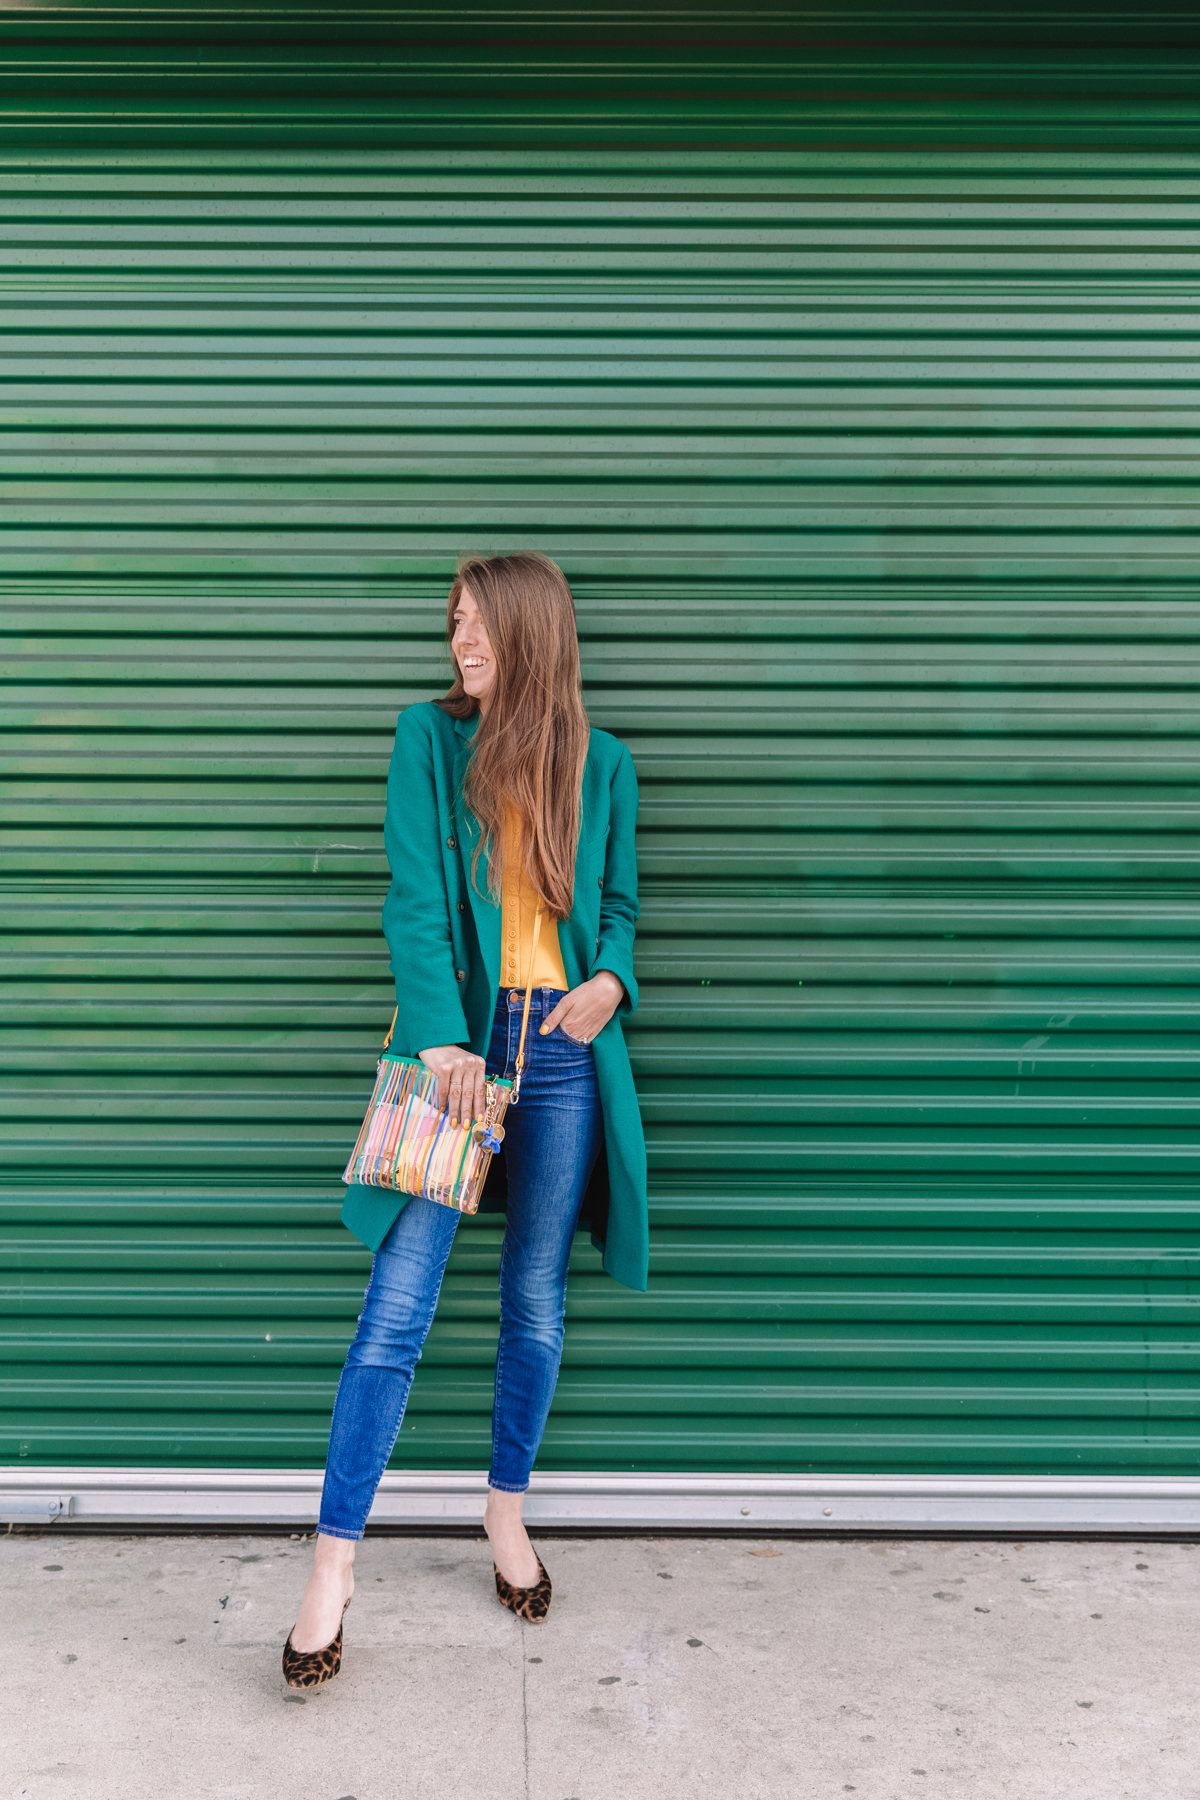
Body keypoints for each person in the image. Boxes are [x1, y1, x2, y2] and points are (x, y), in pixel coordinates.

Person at [282, 551, 648, 1687]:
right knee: (396, 1308)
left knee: (534, 1300)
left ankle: (503, 1514)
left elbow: (624, 905)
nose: (461, 641)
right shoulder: (427, 741)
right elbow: (411, 895)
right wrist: (440, 1034)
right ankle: (332, 1567)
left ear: (534, 634)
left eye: (481, 624)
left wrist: (613, 983)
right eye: (454, 622)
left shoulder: (605, 764)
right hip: (456, 1052)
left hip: (564, 1052)